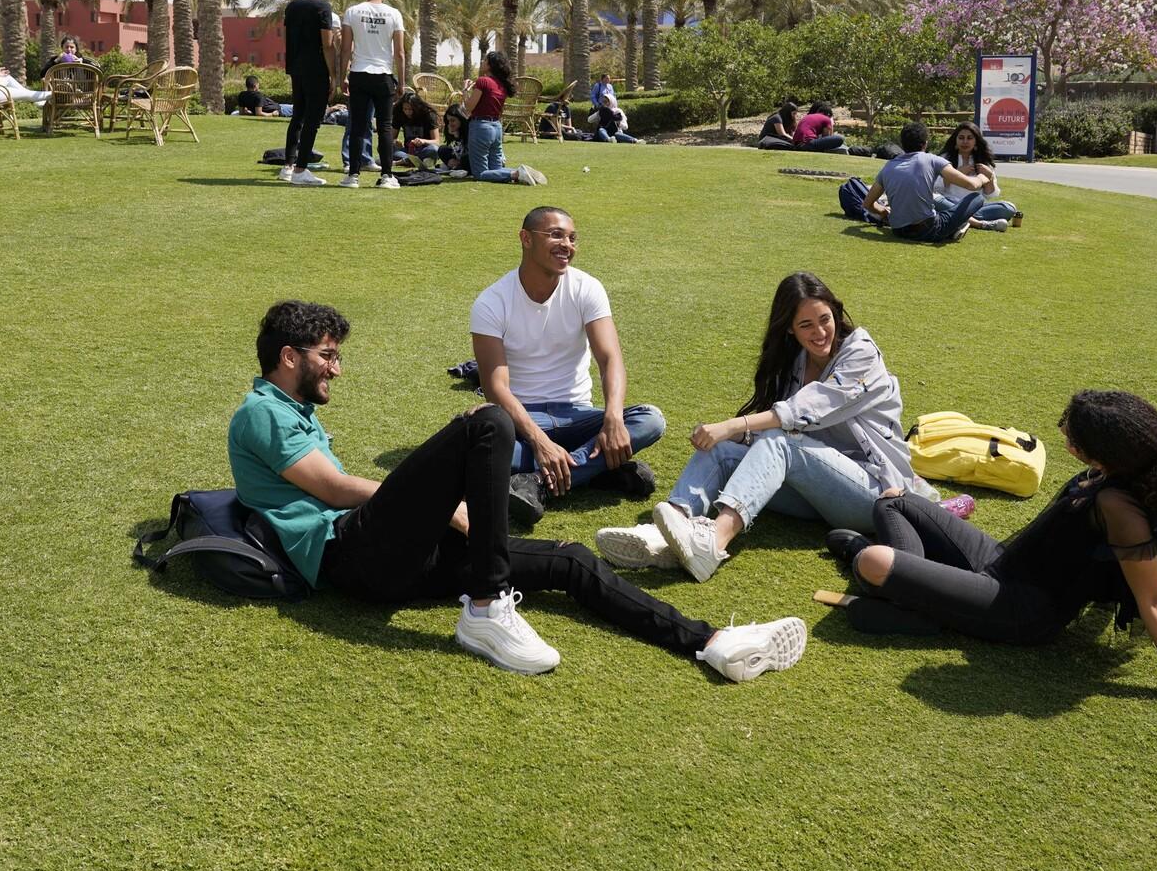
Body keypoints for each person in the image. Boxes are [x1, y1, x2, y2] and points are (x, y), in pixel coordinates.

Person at [228, 300, 806, 681]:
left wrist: (443, 513)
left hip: (390, 559)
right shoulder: (263, 411)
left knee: (570, 561)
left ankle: (711, 644)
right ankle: (485, 606)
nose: (336, 369)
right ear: (288, 357)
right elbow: (331, 490)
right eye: (327, 356)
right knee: (487, 421)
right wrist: (445, 508)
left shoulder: (292, 409)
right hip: (345, 557)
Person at [826, 389, 1157, 729]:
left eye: (1074, 435)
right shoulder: (1109, 471)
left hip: (1017, 608)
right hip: (1002, 561)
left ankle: (909, 598)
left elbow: (1153, 601)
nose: (1065, 436)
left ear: (1103, 449)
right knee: (894, 502)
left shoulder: (1122, 510)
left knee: (874, 561)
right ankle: (911, 596)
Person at [596, 272, 947, 582]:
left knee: (781, 440)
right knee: (722, 449)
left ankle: (713, 543)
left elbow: (804, 412)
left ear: (837, 314)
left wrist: (732, 424)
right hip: (818, 487)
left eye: (825, 319)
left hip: (873, 495)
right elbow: (773, 431)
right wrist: (730, 434)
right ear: (791, 330)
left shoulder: (862, 352)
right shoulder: (795, 361)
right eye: (806, 325)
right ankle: (668, 528)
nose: (820, 331)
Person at [471, 206, 663, 525]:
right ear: (526, 239)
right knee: (479, 450)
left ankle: (538, 483)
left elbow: (609, 358)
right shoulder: (491, 302)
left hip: (577, 414)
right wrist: (540, 440)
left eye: (573, 238)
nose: (567, 245)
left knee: (650, 420)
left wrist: (613, 418)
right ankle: (599, 470)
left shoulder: (587, 288)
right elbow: (496, 388)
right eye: (556, 235)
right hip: (522, 419)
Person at [859, 122, 991, 244]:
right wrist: (984, 177)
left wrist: (884, 213)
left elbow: (867, 203)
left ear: (902, 144)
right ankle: (955, 228)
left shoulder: (888, 166)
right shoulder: (933, 160)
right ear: (925, 144)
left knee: (942, 208)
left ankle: (956, 227)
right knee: (976, 198)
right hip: (929, 229)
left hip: (898, 230)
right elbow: (971, 185)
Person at [338, 0, 407, 190]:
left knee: (358, 126)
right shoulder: (394, 13)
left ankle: (353, 176)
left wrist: (342, 76)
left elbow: (346, 49)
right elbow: (400, 53)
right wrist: (402, 83)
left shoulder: (352, 11)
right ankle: (387, 175)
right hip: (383, 74)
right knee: (385, 126)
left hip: (359, 73)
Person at [281, 0, 340, 187]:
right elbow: (327, 44)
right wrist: (333, 75)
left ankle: (288, 166)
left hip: (296, 67)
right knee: (313, 120)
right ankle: (301, 169)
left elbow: (287, 39)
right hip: (316, 70)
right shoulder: (322, 7)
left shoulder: (293, 5)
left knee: (298, 116)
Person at [458, 50, 546, 186]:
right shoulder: (502, 85)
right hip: (496, 128)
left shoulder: (483, 81)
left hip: (481, 127)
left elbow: (468, 107)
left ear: (490, 65)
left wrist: (465, 90)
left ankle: (517, 173)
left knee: (480, 173)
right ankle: (522, 172)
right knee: (496, 169)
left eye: (485, 60)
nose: (482, 62)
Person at [936, 122, 1023, 230]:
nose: (965, 141)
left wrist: (990, 177)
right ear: (955, 140)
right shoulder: (944, 159)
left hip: (975, 207)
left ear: (976, 141)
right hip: (950, 202)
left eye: (969, 138)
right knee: (934, 201)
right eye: (961, 138)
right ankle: (980, 223)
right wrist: (957, 173)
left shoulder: (982, 161)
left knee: (1009, 208)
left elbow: (990, 195)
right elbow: (935, 185)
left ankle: (962, 219)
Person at [392, 89, 441, 167]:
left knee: (434, 150)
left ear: (417, 107)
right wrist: (395, 142)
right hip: (408, 151)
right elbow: (392, 137)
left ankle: (403, 161)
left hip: (425, 149)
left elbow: (437, 142)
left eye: (411, 109)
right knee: (386, 148)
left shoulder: (428, 114)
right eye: (405, 109)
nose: (408, 112)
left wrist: (423, 141)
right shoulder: (399, 114)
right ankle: (418, 161)